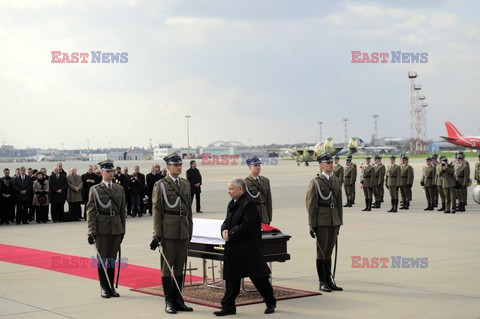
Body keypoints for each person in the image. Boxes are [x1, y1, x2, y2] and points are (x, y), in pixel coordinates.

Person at [214, 178, 277, 316]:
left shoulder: (249, 205)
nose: (229, 192)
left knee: (259, 279)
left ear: (241, 190)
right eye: (228, 189)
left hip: (248, 249)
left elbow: (246, 225)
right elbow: (226, 221)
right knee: (231, 278)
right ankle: (228, 306)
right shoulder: (232, 203)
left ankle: (270, 301)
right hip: (233, 248)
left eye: (231, 189)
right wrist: (224, 230)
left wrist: (230, 234)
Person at [150, 152, 193, 314]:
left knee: (180, 267)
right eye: (176, 165)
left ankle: (179, 299)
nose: (179, 167)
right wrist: (157, 233)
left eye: (180, 164)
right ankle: (169, 301)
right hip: (168, 230)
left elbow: (188, 209)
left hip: (183, 229)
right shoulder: (160, 185)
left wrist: (190, 229)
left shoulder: (186, 184)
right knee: (167, 267)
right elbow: (157, 210)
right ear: (168, 167)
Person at [86, 160, 126, 298]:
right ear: (101, 172)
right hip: (101, 228)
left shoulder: (119, 189)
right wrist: (91, 231)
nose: (110, 173)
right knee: (103, 259)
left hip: (116, 227)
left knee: (112, 259)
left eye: (112, 171)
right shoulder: (95, 189)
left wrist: (122, 230)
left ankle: (111, 286)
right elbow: (91, 212)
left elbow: (122, 211)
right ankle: (104, 287)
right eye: (107, 171)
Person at [306, 153, 343, 293]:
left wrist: (339, 222)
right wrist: (312, 225)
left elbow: (339, 203)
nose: (331, 164)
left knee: (329, 251)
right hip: (321, 221)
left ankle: (329, 280)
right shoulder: (316, 182)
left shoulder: (336, 180)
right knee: (321, 252)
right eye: (327, 163)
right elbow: (311, 205)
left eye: (331, 162)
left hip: (334, 220)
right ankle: (322, 281)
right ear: (321, 165)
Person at [244, 157, 273, 225]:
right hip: (253, 216)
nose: (258, 167)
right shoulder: (245, 182)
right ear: (250, 167)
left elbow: (269, 201)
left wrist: (269, 217)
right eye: (255, 165)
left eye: (259, 165)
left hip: (264, 216)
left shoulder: (265, 181)